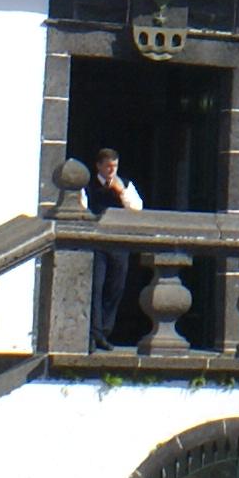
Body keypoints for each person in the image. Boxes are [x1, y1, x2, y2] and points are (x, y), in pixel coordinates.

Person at [81, 146, 144, 348]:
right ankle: (94, 333)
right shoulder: (88, 185)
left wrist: (120, 191)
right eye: (108, 166)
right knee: (96, 287)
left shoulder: (124, 184)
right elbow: (82, 210)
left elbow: (137, 208)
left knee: (116, 288)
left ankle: (105, 331)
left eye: (114, 166)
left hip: (118, 242)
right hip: (96, 242)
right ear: (99, 166)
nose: (111, 171)